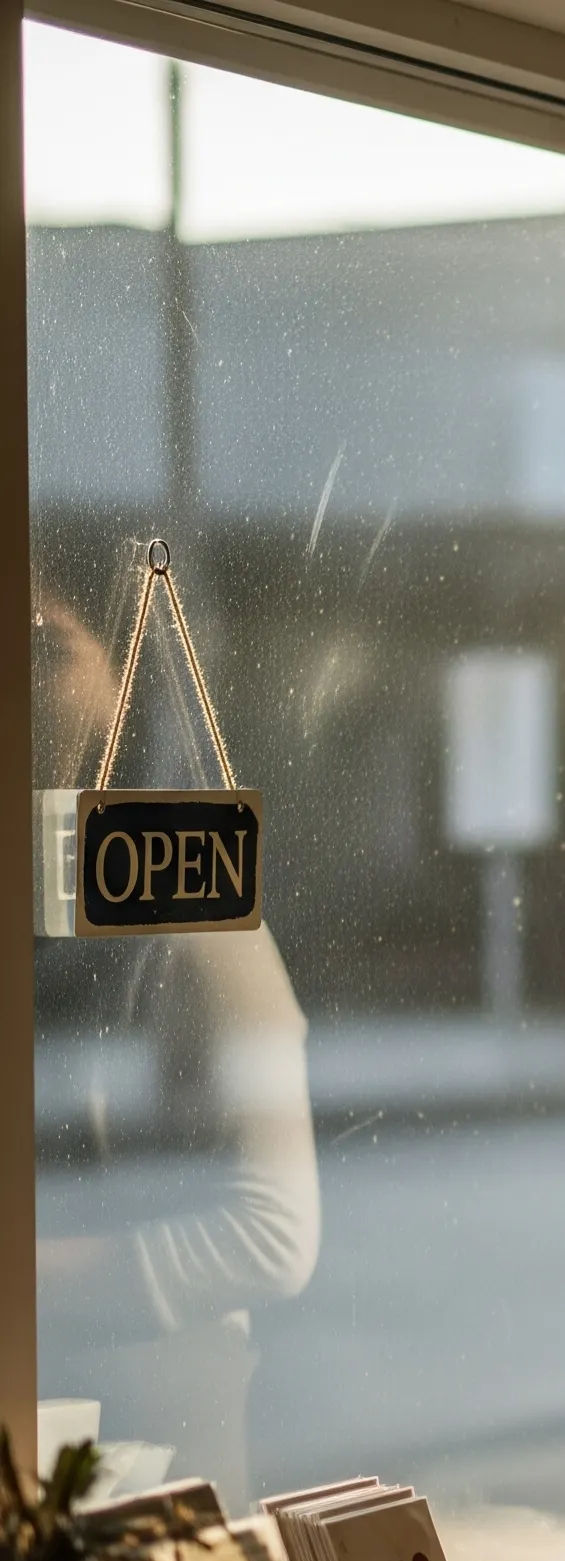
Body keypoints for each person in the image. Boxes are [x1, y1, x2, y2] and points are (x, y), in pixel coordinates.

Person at [33, 580, 320, 1510]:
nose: (27, 683)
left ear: (120, 674)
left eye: (47, 644)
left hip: (148, 1474)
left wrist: (38, 1279)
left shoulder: (192, 903)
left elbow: (272, 1236)